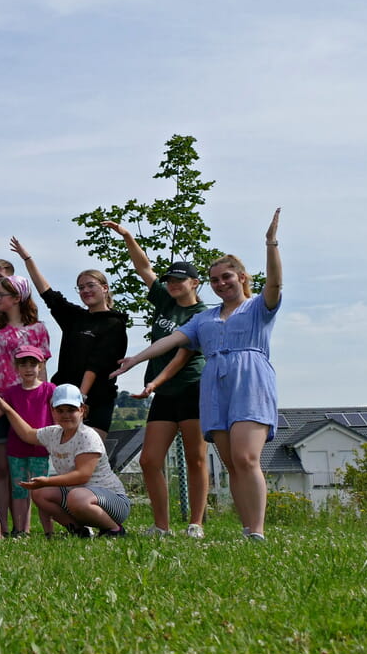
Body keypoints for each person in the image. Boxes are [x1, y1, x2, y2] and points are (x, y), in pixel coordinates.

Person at [113, 209, 282, 541]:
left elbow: (275, 283)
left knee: (247, 457)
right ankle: (248, 528)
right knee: (232, 462)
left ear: (243, 278)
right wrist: (134, 360)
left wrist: (271, 243)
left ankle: (258, 532)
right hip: (215, 387)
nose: (221, 284)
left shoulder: (258, 307)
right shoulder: (205, 319)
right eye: (216, 279)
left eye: (227, 278)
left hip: (249, 381)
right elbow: (171, 341)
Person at [103, 221, 209, 538]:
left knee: (196, 458)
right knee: (150, 460)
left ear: (195, 282)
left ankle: (196, 524)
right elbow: (144, 268)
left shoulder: (202, 315)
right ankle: (161, 526)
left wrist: (152, 382)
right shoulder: (164, 299)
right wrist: (127, 237)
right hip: (162, 392)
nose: (172, 284)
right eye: (170, 281)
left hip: (191, 388)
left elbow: (182, 357)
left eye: (179, 280)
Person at [10, 237, 126, 438]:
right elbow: (49, 295)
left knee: (91, 455)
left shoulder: (114, 324)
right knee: (63, 455)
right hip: (64, 396)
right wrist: (27, 259)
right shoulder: (76, 318)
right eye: (81, 288)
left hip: (94, 399)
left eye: (90, 285)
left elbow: (96, 365)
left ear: (104, 287)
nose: (86, 291)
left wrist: (80, 399)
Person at [0, 384, 130, 537]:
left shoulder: (88, 436)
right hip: (78, 497)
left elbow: (82, 475)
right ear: (52, 411)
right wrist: (7, 409)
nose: (65, 415)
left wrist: (48, 481)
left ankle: (114, 529)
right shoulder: (53, 433)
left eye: (71, 410)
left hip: (113, 502)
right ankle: (79, 531)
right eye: (60, 410)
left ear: (82, 410)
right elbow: (27, 434)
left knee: (75, 497)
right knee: (40, 493)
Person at [0, 274, 51, 531]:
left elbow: (43, 370)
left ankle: (24, 527)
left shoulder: (38, 329)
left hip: (26, 403)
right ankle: (0, 526)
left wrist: (45, 401)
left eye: (0, 295)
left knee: (23, 467)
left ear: (17, 298)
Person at [0, 346, 56, 536]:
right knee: (19, 490)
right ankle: (22, 529)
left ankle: (49, 530)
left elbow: (58, 416)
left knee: (41, 491)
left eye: (33, 364)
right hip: (16, 449)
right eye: (23, 364)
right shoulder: (11, 392)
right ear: (16, 367)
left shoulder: (49, 390)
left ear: (41, 366)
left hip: (41, 449)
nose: (28, 369)